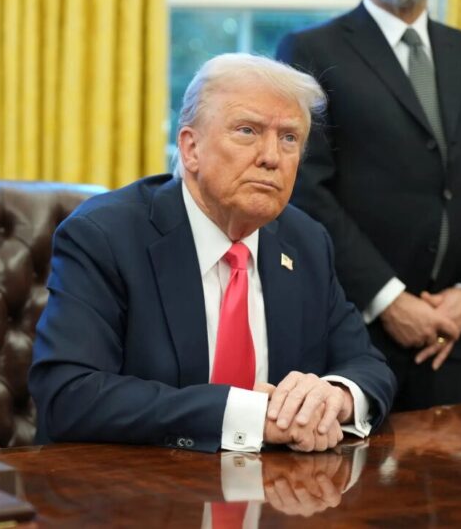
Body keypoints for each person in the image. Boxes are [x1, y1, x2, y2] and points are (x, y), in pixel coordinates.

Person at [29, 53, 396, 455]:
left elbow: (368, 366)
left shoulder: (305, 240)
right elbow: (69, 395)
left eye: (289, 138)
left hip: (275, 500)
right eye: (247, 130)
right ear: (191, 148)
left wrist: (334, 398)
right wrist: (250, 416)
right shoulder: (105, 236)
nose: (271, 156)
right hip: (135, 493)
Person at [276, 0, 461, 411]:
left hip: (452, 333)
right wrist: (388, 298)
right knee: (345, 474)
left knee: (456, 475)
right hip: (356, 327)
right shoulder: (311, 49)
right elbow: (306, 189)